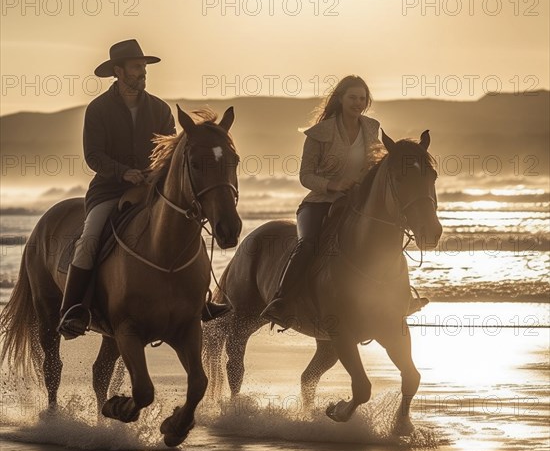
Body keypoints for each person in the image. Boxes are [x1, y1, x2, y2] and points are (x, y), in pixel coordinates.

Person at [58, 39, 230, 340]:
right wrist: (124, 173)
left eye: (144, 67)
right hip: (108, 191)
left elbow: (169, 154)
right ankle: (72, 309)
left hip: (151, 188)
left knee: (187, 229)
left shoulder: (160, 109)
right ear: (118, 71)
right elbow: (93, 155)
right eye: (137, 67)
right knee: (89, 238)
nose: (143, 72)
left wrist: (152, 176)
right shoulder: (98, 109)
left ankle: (200, 301)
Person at [261, 75, 428, 327]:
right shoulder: (319, 133)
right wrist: (333, 185)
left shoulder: (371, 128)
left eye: (362, 98)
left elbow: (374, 167)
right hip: (318, 203)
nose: (358, 103)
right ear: (340, 99)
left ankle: (403, 298)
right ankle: (282, 300)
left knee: (387, 238)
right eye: (352, 98)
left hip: (356, 202)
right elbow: (305, 175)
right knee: (307, 244)